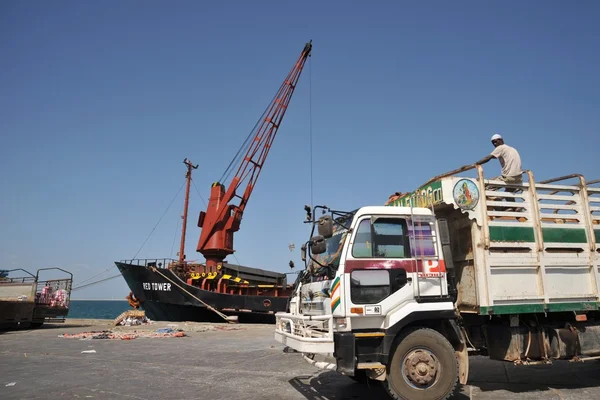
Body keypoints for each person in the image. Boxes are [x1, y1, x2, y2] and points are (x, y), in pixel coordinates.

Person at [475, 134, 523, 206]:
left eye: (495, 141)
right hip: (518, 178)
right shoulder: (512, 149)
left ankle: (498, 203)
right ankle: (515, 208)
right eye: (493, 143)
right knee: (508, 192)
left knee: (486, 186)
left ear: (501, 140)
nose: (494, 144)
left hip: (508, 177)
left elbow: (488, 158)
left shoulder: (500, 148)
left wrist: (476, 164)